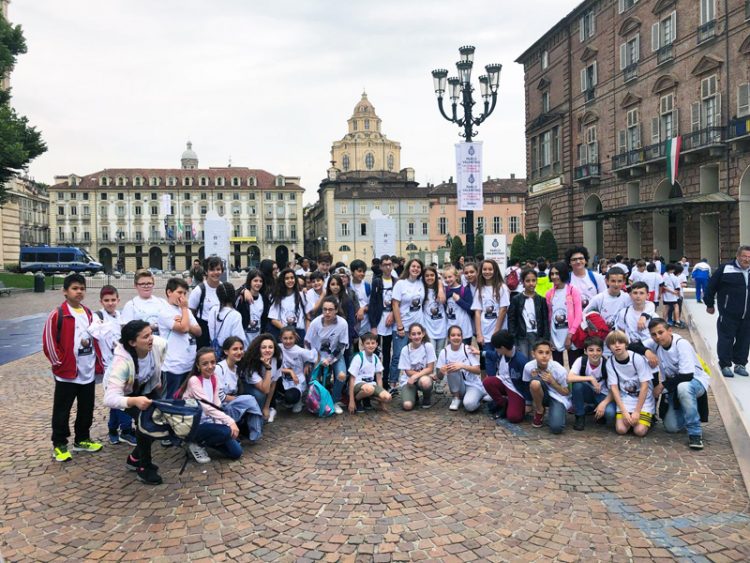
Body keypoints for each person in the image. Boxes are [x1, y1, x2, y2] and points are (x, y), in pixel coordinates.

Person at [43, 273, 104, 462]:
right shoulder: (58, 314)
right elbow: (49, 342)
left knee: (87, 407)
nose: (79, 292)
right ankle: (59, 444)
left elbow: (98, 337)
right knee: (62, 409)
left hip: (87, 371)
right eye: (75, 288)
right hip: (67, 373)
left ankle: (82, 439)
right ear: (65, 291)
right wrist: (59, 363)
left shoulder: (89, 314)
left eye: (82, 288)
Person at [103, 320, 167, 484]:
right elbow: (109, 398)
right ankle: (144, 468)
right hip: (126, 394)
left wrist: (157, 381)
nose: (151, 338)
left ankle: (134, 458)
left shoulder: (158, 344)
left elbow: (160, 359)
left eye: (151, 333)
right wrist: (134, 400)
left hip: (146, 388)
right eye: (145, 337)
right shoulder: (121, 363)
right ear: (132, 343)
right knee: (146, 423)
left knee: (162, 420)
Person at [638, 319, 710, 449]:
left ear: (669, 330)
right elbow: (633, 345)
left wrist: (661, 385)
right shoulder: (655, 343)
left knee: (684, 388)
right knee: (672, 427)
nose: (658, 337)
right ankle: (688, 408)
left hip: (695, 382)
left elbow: (686, 375)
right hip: (674, 386)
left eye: (661, 332)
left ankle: (695, 433)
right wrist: (646, 351)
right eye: (653, 334)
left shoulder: (681, 344)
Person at [88, 285, 136, 446]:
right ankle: (126, 430)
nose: (110, 303)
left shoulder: (120, 316)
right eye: (106, 300)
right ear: (101, 301)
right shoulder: (98, 316)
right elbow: (94, 331)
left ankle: (112, 428)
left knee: (118, 397)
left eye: (113, 300)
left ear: (118, 300)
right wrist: (109, 333)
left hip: (123, 362)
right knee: (121, 399)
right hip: (109, 365)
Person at [177, 348, 243, 463]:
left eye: (213, 362)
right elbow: (207, 407)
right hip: (193, 424)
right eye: (205, 364)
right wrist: (230, 422)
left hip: (209, 422)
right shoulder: (194, 380)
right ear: (198, 366)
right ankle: (195, 442)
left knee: (236, 452)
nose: (210, 366)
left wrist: (221, 424)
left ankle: (208, 441)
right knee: (226, 431)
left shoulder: (214, 378)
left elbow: (217, 404)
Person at [704, 245, 750, 378]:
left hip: (747, 315)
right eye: (744, 256)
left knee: (744, 340)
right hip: (728, 313)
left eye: (749, 257)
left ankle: (740, 364)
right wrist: (709, 303)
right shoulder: (725, 268)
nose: (747, 259)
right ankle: (725, 365)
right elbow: (711, 286)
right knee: (726, 339)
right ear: (737, 256)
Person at [605, 330, 656, 437]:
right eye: (613, 343)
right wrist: (624, 411)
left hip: (643, 399)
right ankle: (631, 417)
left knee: (639, 431)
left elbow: (645, 386)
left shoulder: (637, 358)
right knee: (621, 429)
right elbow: (614, 388)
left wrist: (637, 412)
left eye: (620, 342)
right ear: (609, 347)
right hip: (626, 398)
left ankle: (647, 419)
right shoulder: (610, 362)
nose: (617, 345)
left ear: (626, 344)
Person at [158, 277, 202, 400]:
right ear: (169, 292)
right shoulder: (165, 311)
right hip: (172, 366)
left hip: (188, 364)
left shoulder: (186, 311)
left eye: (184, 293)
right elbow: (183, 329)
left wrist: (184, 320)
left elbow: (198, 331)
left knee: (185, 399)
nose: (182, 296)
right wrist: (184, 313)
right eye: (179, 292)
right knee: (170, 399)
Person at [305, 296, 350, 415]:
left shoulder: (342, 323)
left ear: (336, 310)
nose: (327, 312)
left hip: (335, 355)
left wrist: (329, 360)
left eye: (330, 309)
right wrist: (314, 358)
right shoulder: (315, 323)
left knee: (341, 375)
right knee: (313, 377)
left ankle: (334, 400)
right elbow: (307, 342)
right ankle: (315, 402)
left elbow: (342, 345)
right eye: (324, 309)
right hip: (318, 355)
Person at [215, 337, 264, 441]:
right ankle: (255, 431)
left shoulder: (236, 368)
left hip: (231, 404)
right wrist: (239, 399)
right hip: (220, 407)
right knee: (249, 399)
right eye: (235, 349)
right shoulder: (219, 369)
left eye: (241, 349)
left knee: (250, 399)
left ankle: (253, 431)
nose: (239, 352)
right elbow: (220, 397)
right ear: (226, 351)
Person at [390, 258, 427, 392]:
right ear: (408, 268)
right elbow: (395, 304)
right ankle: (393, 384)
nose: (416, 269)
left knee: (418, 356)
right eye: (413, 266)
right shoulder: (400, 284)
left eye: (418, 267)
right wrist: (399, 326)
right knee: (398, 355)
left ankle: (418, 382)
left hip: (418, 326)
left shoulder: (421, 283)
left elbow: (437, 281)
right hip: (403, 326)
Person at [566, 336, 616, 431]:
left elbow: (614, 388)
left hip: (603, 394)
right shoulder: (581, 361)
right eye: (591, 350)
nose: (595, 353)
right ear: (585, 351)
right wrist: (590, 378)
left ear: (602, 351)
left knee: (610, 414)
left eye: (598, 350)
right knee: (577, 386)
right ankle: (580, 416)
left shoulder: (607, 364)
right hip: (588, 391)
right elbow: (569, 378)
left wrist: (604, 404)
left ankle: (596, 409)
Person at [472, 259, 510, 377]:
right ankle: (491, 385)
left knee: (501, 359)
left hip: (498, 331)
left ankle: (503, 384)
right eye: (484, 269)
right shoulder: (480, 288)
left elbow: (503, 310)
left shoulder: (501, 287)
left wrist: (496, 332)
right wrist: (479, 333)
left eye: (490, 269)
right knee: (488, 359)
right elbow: (477, 312)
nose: (487, 272)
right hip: (485, 331)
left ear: (495, 271)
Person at [523, 340, 570, 433]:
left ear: (551, 354)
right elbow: (526, 385)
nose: (544, 356)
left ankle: (558, 412)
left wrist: (553, 382)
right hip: (541, 394)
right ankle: (540, 410)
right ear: (533, 354)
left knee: (556, 428)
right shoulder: (528, 366)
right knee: (535, 383)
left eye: (547, 353)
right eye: (540, 352)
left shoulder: (559, 369)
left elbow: (566, 392)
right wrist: (528, 403)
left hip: (558, 397)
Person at [483, 330, 530, 423]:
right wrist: (479, 352)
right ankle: (503, 403)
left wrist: (528, 403)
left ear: (503, 348)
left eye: (496, 347)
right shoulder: (502, 353)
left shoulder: (521, 361)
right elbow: (492, 355)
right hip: (504, 382)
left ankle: (514, 404)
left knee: (514, 417)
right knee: (487, 382)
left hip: (516, 389)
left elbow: (527, 383)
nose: (495, 349)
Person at [436, 325, 483, 412]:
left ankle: (479, 395)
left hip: (473, 385)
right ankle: (456, 398)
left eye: (459, 335)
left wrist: (462, 366)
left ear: (462, 337)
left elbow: (477, 370)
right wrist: (441, 372)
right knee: (452, 367)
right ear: (449, 338)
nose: (456, 337)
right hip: (458, 387)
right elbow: (439, 377)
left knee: (469, 405)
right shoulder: (444, 352)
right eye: (453, 335)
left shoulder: (467, 349)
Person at [368, 255, 398, 387]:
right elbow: (373, 303)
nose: (388, 267)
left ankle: (385, 380)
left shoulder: (396, 281)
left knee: (387, 351)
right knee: (375, 351)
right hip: (379, 320)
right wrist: (373, 325)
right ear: (380, 266)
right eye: (385, 264)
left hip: (391, 322)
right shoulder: (377, 281)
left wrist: (393, 313)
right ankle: (374, 378)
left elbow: (398, 302)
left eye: (390, 264)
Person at [237, 334, 282, 422]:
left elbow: (273, 384)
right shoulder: (251, 363)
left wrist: (266, 407)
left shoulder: (277, 359)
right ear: (258, 349)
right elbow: (265, 390)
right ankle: (252, 416)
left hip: (264, 385)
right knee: (260, 395)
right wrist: (268, 368)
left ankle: (262, 411)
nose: (267, 350)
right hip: (245, 385)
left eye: (270, 347)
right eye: (264, 347)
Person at [546, 261, 583, 366]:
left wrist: (570, 335)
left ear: (563, 273)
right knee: (558, 367)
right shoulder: (549, 294)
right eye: (552, 274)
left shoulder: (573, 291)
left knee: (574, 366)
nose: (554, 276)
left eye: (557, 273)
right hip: (555, 336)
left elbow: (578, 315)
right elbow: (550, 316)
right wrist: (550, 337)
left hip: (572, 336)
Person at [507, 269, 550, 358]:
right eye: (528, 281)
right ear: (522, 282)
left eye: (533, 280)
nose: (531, 283)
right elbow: (512, 319)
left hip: (537, 335)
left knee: (535, 360)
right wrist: (512, 337)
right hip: (522, 335)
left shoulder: (541, 300)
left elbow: (545, 320)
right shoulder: (516, 299)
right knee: (523, 359)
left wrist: (545, 338)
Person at [347, 332, 391, 413]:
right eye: (367, 343)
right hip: (358, 384)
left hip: (371, 384)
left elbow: (379, 378)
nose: (370, 345)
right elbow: (352, 379)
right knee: (369, 389)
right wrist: (351, 401)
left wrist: (381, 400)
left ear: (376, 344)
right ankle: (357, 400)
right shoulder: (359, 357)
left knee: (387, 397)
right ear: (363, 345)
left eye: (373, 343)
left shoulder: (376, 358)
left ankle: (367, 399)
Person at [397, 323, 437, 410]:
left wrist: (416, 375)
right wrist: (421, 374)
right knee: (407, 406)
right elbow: (408, 371)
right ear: (409, 336)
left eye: (419, 333)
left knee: (426, 381)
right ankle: (413, 394)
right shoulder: (405, 350)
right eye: (413, 334)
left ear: (423, 334)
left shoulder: (428, 346)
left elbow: (430, 368)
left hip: (421, 378)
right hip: (408, 380)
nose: (417, 336)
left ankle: (426, 398)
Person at [279, 326, 318, 413]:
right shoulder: (278, 348)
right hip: (282, 379)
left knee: (290, 397)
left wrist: (308, 363)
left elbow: (315, 355)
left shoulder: (300, 351)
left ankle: (298, 399)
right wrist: (289, 371)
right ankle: (285, 399)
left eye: (290, 338)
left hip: (297, 381)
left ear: (295, 338)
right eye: (285, 338)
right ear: (280, 338)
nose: (288, 341)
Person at [189, 256, 224, 348]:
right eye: (212, 270)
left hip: (220, 329)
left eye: (218, 269)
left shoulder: (224, 288)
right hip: (204, 330)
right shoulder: (199, 290)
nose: (216, 272)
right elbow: (190, 313)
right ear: (206, 272)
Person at [583, 267, 632, 333]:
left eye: (619, 281)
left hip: (621, 337)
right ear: (606, 281)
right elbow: (584, 314)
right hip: (603, 336)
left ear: (624, 282)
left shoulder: (627, 297)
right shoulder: (599, 298)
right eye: (613, 281)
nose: (616, 284)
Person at [268, 267, 308, 342]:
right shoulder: (278, 297)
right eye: (287, 278)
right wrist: (288, 332)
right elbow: (273, 319)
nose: (290, 280)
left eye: (292, 278)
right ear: (283, 280)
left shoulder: (302, 295)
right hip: (284, 333)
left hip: (299, 332)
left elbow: (307, 316)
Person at [121, 269, 165, 336]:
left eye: (149, 283)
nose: (146, 286)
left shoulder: (162, 302)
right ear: (136, 286)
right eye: (142, 284)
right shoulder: (130, 305)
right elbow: (127, 330)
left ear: (153, 284)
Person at [208, 282, 246, 353]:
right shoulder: (235, 315)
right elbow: (239, 338)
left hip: (214, 350)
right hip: (229, 353)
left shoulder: (213, 310)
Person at [443, 265, 474, 344]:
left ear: (456, 276)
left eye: (450, 277)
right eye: (445, 278)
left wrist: (459, 300)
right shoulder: (445, 291)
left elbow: (471, 309)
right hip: (451, 330)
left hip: (464, 331)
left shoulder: (465, 290)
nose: (447, 279)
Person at [235, 269, 265, 346]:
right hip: (243, 341)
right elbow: (233, 295)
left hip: (257, 341)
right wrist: (243, 290)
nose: (258, 283)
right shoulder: (242, 297)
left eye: (260, 281)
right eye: (255, 281)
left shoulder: (264, 298)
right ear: (250, 281)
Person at [423, 266, 447, 353]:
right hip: (429, 328)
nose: (430, 277)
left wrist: (440, 287)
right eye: (427, 275)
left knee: (440, 353)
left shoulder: (443, 287)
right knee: (431, 353)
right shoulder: (422, 289)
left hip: (442, 327)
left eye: (432, 275)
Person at [350, 259, 372, 340]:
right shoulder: (348, 286)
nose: (362, 274)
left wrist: (362, 309)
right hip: (352, 324)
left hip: (365, 324)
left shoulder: (367, 286)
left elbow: (372, 304)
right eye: (359, 271)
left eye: (364, 271)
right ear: (352, 272)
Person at [661, 263, 684, 328]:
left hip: (667, 294)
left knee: (666, 307)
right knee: (676, 306)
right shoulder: (670, 276)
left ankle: (664, 321)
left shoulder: (665, 275)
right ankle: (677, 321)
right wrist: (673, 292)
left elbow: (664, 286)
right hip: (671, 295)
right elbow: (665, 286)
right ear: (671, 269)